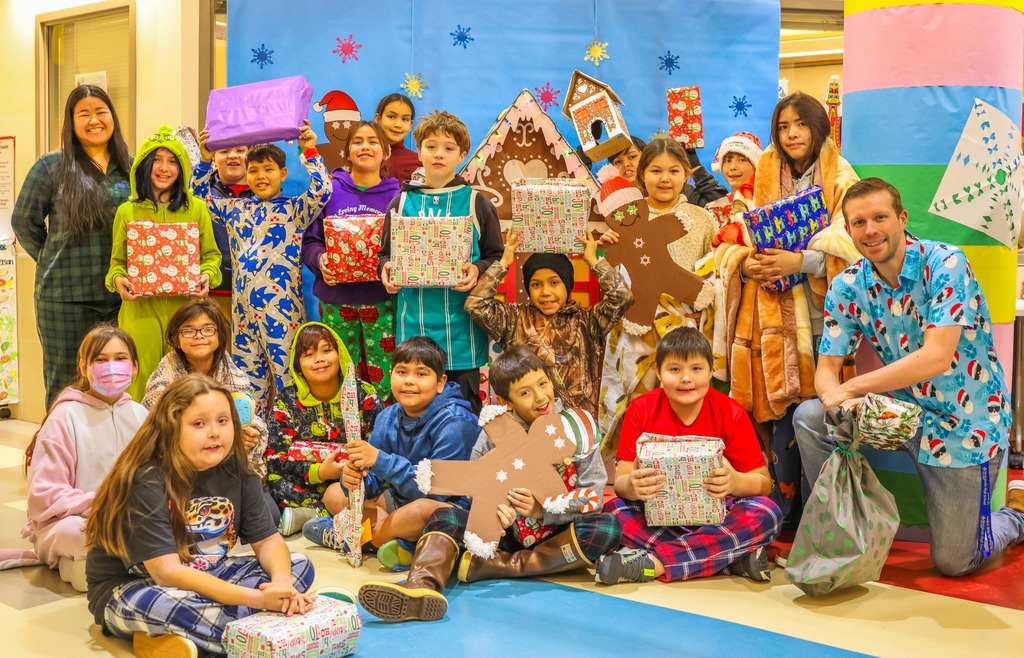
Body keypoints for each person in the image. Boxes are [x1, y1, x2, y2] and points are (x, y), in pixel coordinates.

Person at [793, 177, 1024, 577]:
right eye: (859, 222)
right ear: (847, 230)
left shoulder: (946, 263)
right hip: (899, 415)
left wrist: (852, 388)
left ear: (901, 218)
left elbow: (936, 357)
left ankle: (1017, 515)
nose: (870, 230)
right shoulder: (848, 285)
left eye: (880, 217)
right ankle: (842, 532)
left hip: (964, 425)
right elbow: (826, 371)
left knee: (955, 561)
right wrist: (838, 400)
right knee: (811, 417)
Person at [357, 346, 622, 622]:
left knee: (607, 527)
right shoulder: (495, 432)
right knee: (444, 514)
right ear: (507, 402)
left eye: (543, 384)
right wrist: (499, 515)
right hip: (504, 537)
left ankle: (493, 567)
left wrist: (542, 510)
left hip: (560, 533)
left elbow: (594, 494)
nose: (541, 397)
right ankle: (421, 587)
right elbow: (474, 492)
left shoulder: (575, 429)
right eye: (525, 393)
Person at [714, 93, 861, 539]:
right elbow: (736, 238)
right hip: (771, 319)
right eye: (783, 126)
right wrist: (748, 262)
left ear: (820, 128)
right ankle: (781, 515)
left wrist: (802, 263)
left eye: (800, 124)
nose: (792, 133)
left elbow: (855, 244)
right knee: (779, 417)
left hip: (822, 319)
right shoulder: (763, 174)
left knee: (819, 414)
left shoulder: (841, 176)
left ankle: (827, 518)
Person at [85, 374, 315, 658]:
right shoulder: (146, 477)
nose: (215, 432)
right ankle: (277, 627)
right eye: (198, 424)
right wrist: (258, 598)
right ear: (171, 428)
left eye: (223, 421)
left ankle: (193, 639)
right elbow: (166, 572)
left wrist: (281, 583)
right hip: (134, 587)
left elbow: (268, 541)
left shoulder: (238, 469)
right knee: (175, 607)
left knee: (299, 564)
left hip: (205, 574)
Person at [597, 327, 781, 584]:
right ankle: (728, 560)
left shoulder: (731, 411)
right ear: (659, 373)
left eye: (696, 369)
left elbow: (763, 483)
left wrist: (735, 481)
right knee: (611, 513)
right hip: (658, 518)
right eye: (675, 370)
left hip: (720, 517)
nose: (686, 378)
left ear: (710, 371)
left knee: (768, 513)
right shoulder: (641, 409)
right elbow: (621, 485)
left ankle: (654, 564)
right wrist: (633, 484)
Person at [192, 120, 333, 412]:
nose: (260, 176)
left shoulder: (295, 209)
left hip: (283, 313)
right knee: (245, 385)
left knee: (289, 380)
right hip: (242, 315)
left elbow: (321, 191)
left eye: (268, 169)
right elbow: (198, 198)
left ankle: (292, 436)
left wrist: (309, 151)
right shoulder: (234, 208)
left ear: (282, 174)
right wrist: (205, 161)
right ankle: (252, 444)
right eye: (253, 170)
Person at [302, 337, 477, 562]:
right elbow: (375, 478)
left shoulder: (455, 421)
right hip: (400, 499)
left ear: (441, 382)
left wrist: (380, 460)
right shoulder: (387, 416)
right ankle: (399, 543)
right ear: (390, 374)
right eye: (401, 372)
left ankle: (353, 537)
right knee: (334, 494)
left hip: (448, 508)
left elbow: (437, 490)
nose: (409, 381)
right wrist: (356, 479)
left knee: (422, 510)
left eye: (421, 374)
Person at [12, 85, 133, 407]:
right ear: (71, 122)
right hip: (63, 298)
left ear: (113, 117)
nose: (94, 120)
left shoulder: (131, 168)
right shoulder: (50, 166)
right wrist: (52, 258)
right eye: (84, 114)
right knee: (67, 382)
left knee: (116, 381)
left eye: (101, 112)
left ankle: (110, 455)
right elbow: (23, 221)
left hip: (121, 296)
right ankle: (58, 453)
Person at [378, 111, 504, 414]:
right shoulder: (401, 202)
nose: (438, 154)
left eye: (448, 148)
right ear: (419, 151)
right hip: (414, 328)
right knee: (414, 416)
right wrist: (386, 271)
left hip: (463, 333)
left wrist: (477, 270)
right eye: (431, 146)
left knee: (463, 420)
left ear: (461, 155)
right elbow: (384, 254)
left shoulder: (477, 202)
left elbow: (496, 257)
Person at [599, 138, 718, 457]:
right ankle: (636, 474)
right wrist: (607, 245)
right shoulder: (626, 217)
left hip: (684, 326)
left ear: (687, 174)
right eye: (655, 170)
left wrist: (702, 313)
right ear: (641, 174)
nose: (665, 178)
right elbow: (610, 274)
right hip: (637, 323)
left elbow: (714, 274)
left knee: (683, 399)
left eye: (674, 170)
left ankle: (683, 472)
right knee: (639, 397)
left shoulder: (702, 218)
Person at [21, 325, 146, 592]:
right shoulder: (65, 416)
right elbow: (44, 495)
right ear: (83, 366)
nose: (111, 366)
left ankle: (94, 566)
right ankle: (91, 562)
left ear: (135, 366)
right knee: (77, 533)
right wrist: (100, 506)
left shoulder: (141, 416)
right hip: (78, 522)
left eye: (120, 358)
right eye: (100, 360)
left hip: (128, 518)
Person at [105, 124, 222, 401]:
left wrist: (206, 275)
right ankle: (140, 442)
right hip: (139, 315)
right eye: (156, 160)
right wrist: (118, 280)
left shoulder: (196, 208)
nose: (164, 168)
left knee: (186, 387)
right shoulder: (127, 211)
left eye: (172, 161)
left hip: (186, 314)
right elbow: (116, 264)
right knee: (139, 384)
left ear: (182, 169)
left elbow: (211, 256)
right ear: (144, 166)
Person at [465, 228, 632, 416]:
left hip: (578, 428)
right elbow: (475, 304)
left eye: (554, 282)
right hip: (529, 426)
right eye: (536, 284)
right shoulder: (513, 319)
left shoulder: (588, 321)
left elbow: (622, 297)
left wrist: (593, 261)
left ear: (567, 285)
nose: (545, 292)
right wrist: (503, 263)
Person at [302, 121, 400, 397]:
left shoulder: (398, 197)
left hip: (382, 303)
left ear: (386, 152)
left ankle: (381, 433)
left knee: (385, 374)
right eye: (357, 141)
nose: (365, 147)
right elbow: (309, 241)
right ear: (346, 152)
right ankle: (342, 432)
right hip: (336, 301)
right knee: (339, 373)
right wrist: (320, 261)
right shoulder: (330, 191)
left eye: (373, 141)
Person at [265, 322, 382, 534]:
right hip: (305, 482)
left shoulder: (363, 394)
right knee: (272, 482)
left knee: (376, 485)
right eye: (308, 354)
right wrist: (318, 472)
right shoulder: (287, 399)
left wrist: (351, 469)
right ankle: (322, 515)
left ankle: (311, 516)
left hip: (350, 480)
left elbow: (380, 444)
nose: (319, 359)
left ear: (340, 355)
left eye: (327, 351)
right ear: (298, 365)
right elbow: (274, 456)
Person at [142, 300, 270, 492]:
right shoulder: (162, 382)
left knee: (270, 512)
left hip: (228, 467)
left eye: (208, 329)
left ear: (219, 335)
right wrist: (229, 440)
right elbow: (156, 431)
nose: (199, 336)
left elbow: (251, 421)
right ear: (176, 339)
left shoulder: (235, 377)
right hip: (178, 471)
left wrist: (250, 436)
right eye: (188, 330)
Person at [608, 136, 727, 206]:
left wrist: (696, 168)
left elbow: (719, 207)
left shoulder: (680, 192)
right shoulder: (612, 202)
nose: (626, 165)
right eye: (618, 162)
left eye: (632, 157)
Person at [203, 143, 254, 294]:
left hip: (254, 293)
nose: (232, 156)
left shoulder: (266, 197)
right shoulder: (204, 197)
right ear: (213, 158)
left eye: (240, 150)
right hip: (211, 291)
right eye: (224, 151)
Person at [374, 93, 420, 184]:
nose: (398, 125)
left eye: (405, 119)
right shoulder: (366, 155)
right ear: (378, 119)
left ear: (411, 124)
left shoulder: (419, 162)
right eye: (391, 117)